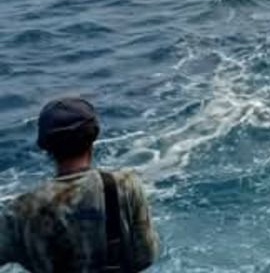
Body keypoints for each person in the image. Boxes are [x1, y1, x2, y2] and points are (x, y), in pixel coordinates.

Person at [0, 97, 160, 271]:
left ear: (45, 145)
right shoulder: (125, 185)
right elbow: (146, 257)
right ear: (93, 136)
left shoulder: (20, 211)